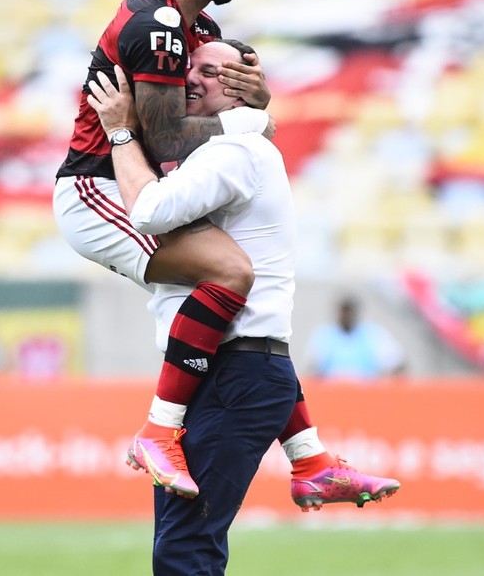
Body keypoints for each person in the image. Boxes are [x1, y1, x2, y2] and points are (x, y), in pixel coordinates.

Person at [52, 0, 337, 502]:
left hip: (148, 183)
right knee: (232, 272)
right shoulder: (156, 24)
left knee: (248, 305)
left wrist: (254, 105)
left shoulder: (196, 30)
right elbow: (163, 136)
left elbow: (200, 126)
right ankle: (159, 431)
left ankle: (311, 460)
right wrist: (253, 124)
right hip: (102, 189)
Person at [88, 41, 399, 574]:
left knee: (186, 546)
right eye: (190, 67)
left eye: (210, 72)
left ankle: (293, 456)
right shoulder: (235, 148)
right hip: (238, 367)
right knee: (184, 540)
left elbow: (148, 209)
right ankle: (310, 459)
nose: (191, 77)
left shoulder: (233, 152)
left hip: (231, 372)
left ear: (239, 86)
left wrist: (119, 131)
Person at [306, 296, 407, 380]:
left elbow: (397, 364)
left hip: (366, 394)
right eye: (343, 312)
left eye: (349, 312)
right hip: (332, 394)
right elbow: (313, 369)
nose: (345, 316)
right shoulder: (324, 335)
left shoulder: (372, 334)